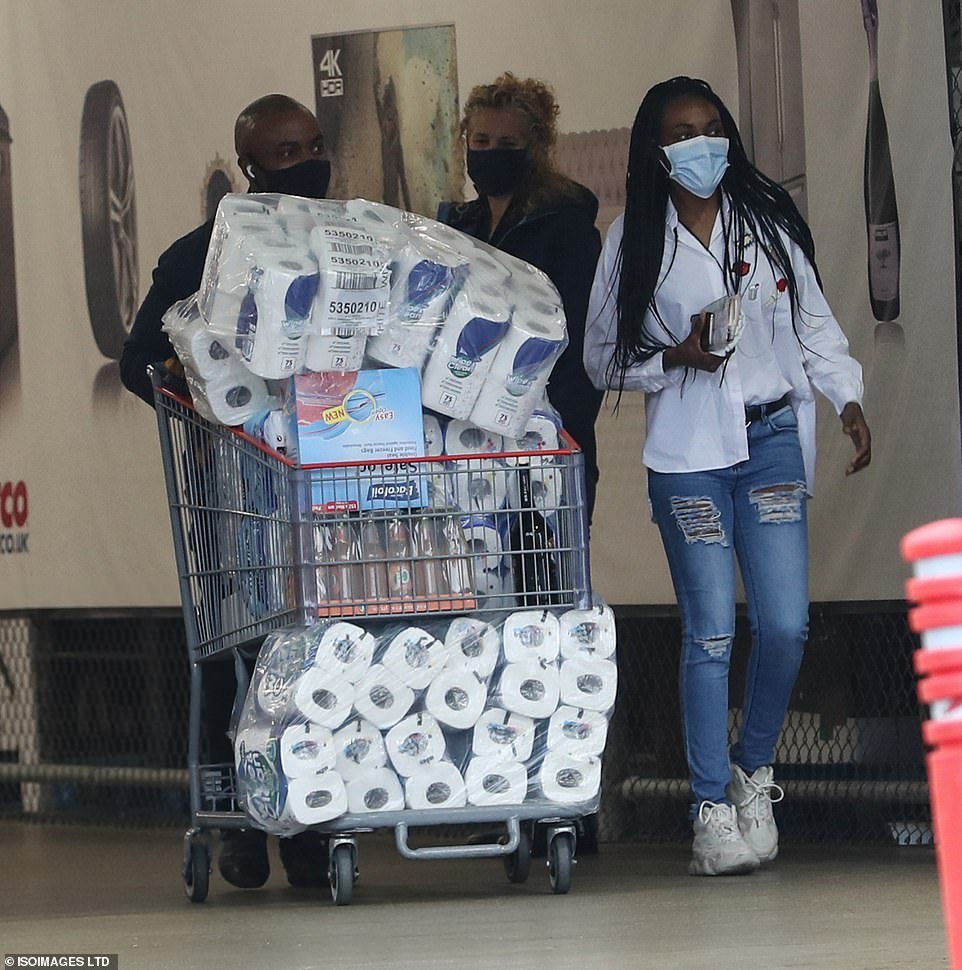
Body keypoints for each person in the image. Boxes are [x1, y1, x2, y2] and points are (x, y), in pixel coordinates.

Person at [584, 76, 871, 876]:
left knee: (784, 624)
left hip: (772, 437)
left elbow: (814, 326)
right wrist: (670, 358)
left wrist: (847, 400)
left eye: (711, 128)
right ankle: (709, 806)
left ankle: (753, 771)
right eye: (682, 132)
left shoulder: (768, 222)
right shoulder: (630, 240)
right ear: (655, 147)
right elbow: (600, 357)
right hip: (688, 461)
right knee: (709, 632)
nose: (701, 144)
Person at [120, 94, 332, 890]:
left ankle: (311, 827)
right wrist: (212, 416)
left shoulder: (346, 243)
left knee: (313, 655)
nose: (307, 164)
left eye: (314, 147)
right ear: (248, 168)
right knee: (236, 654)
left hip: (326, 494)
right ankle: (237, 814)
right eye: (285, 155)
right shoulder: (199, 256)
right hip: (234, 495)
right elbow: (141, 358)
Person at [441, 73, 604, 524]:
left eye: (507, 143)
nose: (491, 152)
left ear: (536, 146)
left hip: (544, 438)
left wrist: (554, 427)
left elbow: (581, 341)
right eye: (481, 140)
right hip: (468, 439)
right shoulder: (460, 227)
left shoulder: (567, 225)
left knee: (547, 577)